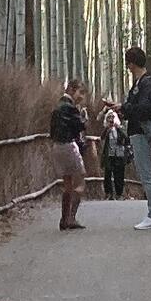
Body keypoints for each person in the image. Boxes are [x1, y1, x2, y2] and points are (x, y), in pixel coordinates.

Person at [121, 44, 151, 227]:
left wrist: (126, 108)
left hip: (141, 131)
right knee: (145, 172)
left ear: (132, 64)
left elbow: (146, 109)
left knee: (146, 173)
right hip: (136, 130)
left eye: (128, 64)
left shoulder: (146, 82)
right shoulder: (140, 82)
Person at [49, 80, 89, 231]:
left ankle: (64, 219)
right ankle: (70, 218)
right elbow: (81, 126)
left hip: (57, 146)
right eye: (81, 92)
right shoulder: (70, 108)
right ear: (72, 90)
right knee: (80, 182)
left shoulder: (57, 105)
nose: (82, 97)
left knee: (67, 184)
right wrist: (84, 119)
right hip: (68, 146)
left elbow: (52, 130)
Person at [99, 103, 130, 200]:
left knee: (119, 175)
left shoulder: (120, 128)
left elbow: (126, 138)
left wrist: (118, 128)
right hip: (109, 154)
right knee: (107, 174)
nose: (111, 119)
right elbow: (102, 138)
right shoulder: (107, 129)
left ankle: (119, 194)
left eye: (113, 117)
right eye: (109, 117)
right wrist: (107, 128)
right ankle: (108, 193)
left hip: (119, 154)